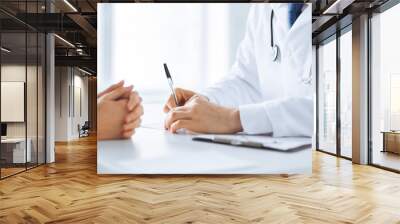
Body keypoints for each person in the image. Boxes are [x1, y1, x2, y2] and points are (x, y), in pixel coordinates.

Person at [164, 3, 313, 137]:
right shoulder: (262, 9)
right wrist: (205, 102)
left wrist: (234, 119)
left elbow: (330, 110)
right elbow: (246, 81)